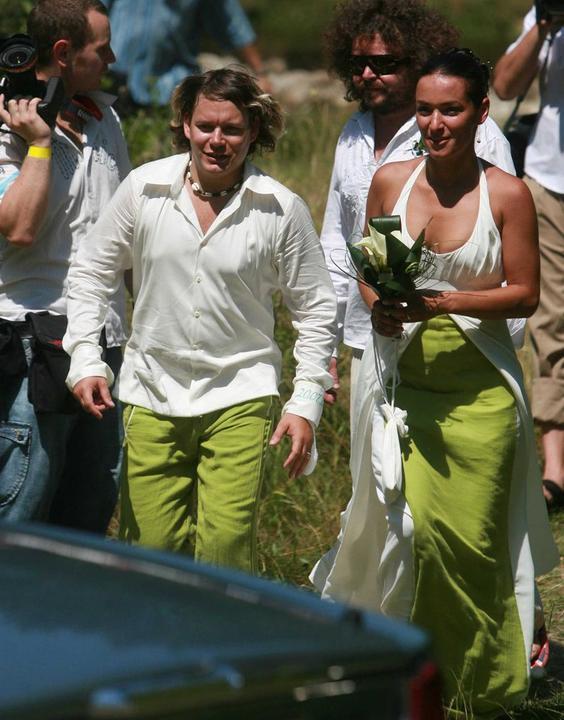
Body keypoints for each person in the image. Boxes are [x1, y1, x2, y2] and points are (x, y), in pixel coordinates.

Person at [311, 49, 558, 715]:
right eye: (424, 110)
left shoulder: (506, 194)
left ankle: (487, 689)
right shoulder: (391, 180)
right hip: (401, 391)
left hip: (479, 395)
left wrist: (444, 304)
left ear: (480, 112)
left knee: (471, 544)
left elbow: (526, 293)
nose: (435, 123)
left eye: (451, 109)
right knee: (408, 538)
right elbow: (371, 268)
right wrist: (379, 306)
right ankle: (420, 683)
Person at [62, 68, 336, 573]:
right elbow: (91, 272)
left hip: (240, 391)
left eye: (232, 129)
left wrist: (306, 402)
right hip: (151, 390)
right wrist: (85, 357)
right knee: (151, 553)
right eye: (206, 126)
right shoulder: (143, 189)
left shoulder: (281, 209)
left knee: (225, 548)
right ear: (185, 124)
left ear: (253, 131)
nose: (217, 141)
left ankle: (221, 627)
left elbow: (317, 309)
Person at [320, 0, 516, 408]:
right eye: (358, 63)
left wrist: (503, 349)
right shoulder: (352, 133)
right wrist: (327, 342)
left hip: (464, 345)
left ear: (418, 61)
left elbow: (499, 246)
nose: (367, 74)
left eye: (384, 63)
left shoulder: (475, 134)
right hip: (372, 336)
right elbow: (340, 242)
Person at [0, 0, 130, 532]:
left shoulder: (105, 116)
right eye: (102, 49)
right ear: (62, 51)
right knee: (23, 513)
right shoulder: (9, 122)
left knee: (88, 514)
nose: (113, 59)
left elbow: (126, 230)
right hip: (35, 344)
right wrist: (38, 143)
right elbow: (18, 227)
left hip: (104, 338)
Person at [493, 4, 564, 511]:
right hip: (549, 182)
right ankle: (557, 469)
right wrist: (543, 24)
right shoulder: (546, 18)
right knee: (552, 324)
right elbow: (504, 85)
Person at [100, 0, 270, 107]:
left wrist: (260, 72)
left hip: (170, 88)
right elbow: (92, 12)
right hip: (112, 80)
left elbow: (233, 24)